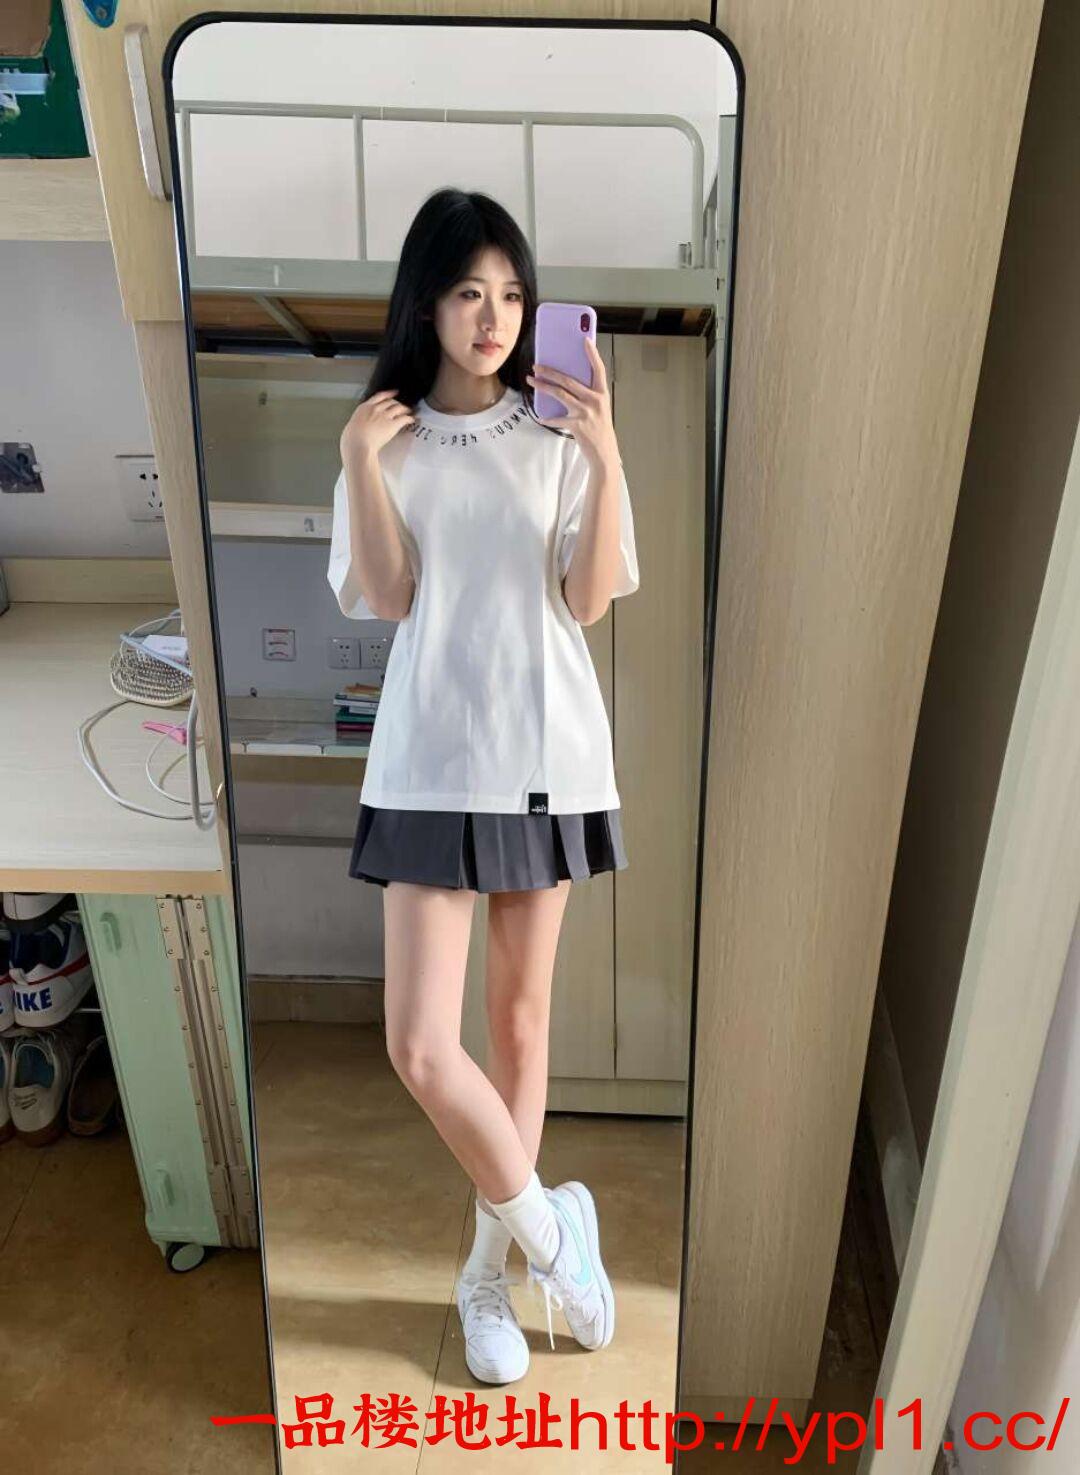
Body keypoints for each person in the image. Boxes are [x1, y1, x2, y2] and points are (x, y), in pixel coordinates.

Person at [327, 188, 639, 1385]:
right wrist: (359, 460)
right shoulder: (388, 439)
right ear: (427, 303)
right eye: (469, 291)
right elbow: (389, 596)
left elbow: (589, 598)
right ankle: (555, 1235)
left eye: (511, 293)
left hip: (545, 751)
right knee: (420, 1042)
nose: (493, 316)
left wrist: (606, 454)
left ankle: (486, 1275)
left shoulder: (559, 433)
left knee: (516, 1026)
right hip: (426, 757)